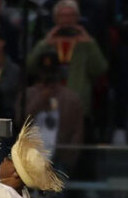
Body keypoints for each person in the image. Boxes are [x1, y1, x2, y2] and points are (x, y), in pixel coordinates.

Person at [26, 0, 108, 124]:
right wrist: (44, 44)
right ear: (55, 18)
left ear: (77, 18)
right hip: (47, 105)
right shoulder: (47, 43)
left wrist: (91, 43)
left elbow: (100, 69)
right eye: (62, 15)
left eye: (71, 15)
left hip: (76, 105)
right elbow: (30, 67)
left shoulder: (85, 43)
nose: (67, 20)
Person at [23, 48, 84, 179]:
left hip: (60, 159)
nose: (48, 77)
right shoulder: (28, 95)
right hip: (30, 158)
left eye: (51, 72)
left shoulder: (72, 99)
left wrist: (70, 158)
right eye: (44, 72)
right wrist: (39, 101)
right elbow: (20, 122)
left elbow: (77, 132)